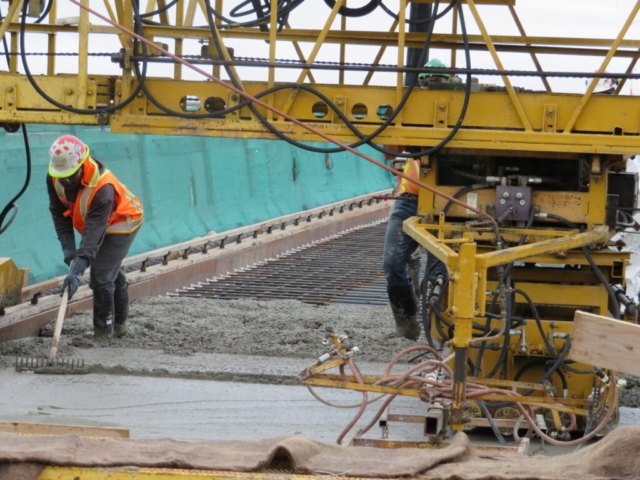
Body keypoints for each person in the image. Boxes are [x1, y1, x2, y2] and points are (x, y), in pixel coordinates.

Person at [47, 135, 143, 337]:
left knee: (100, 275)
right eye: (62, 177)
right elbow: (59, 213)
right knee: (107, 270)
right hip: (95, 224)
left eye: (71, 176)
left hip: (122, 221)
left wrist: (78, 270)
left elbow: (94, 232)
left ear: (82, 165)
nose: (66, 181)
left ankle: (103, 333)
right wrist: (69, 252)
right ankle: (119, 327)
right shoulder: (55, 176)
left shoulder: (102, 187)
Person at [382, 59, 450, 340]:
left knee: (439, 271)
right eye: (426, 81)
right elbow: (390, 152)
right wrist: (396, 120)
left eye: (438, 80)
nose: (430, 86)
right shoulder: (413, 110)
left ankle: (441, 330)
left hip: (448, 204)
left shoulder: (463, 114)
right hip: (410, 200)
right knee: (392, 264)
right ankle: (406, 324)